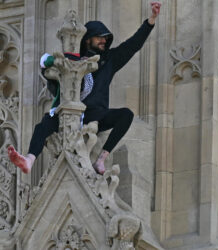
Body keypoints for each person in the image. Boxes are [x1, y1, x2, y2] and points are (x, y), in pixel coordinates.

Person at [8, 1, 161, 174]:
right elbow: (55, 85)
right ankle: (29, 160)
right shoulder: (71, 60)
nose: (104, 40)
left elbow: (132, 45)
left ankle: (101, 159)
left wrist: (151, 20)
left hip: (96, 113)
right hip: (70, 111)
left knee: (126, 115)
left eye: (106, 38)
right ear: (88, 39)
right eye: (100, 37)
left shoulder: (108, 60)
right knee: (43, 125)